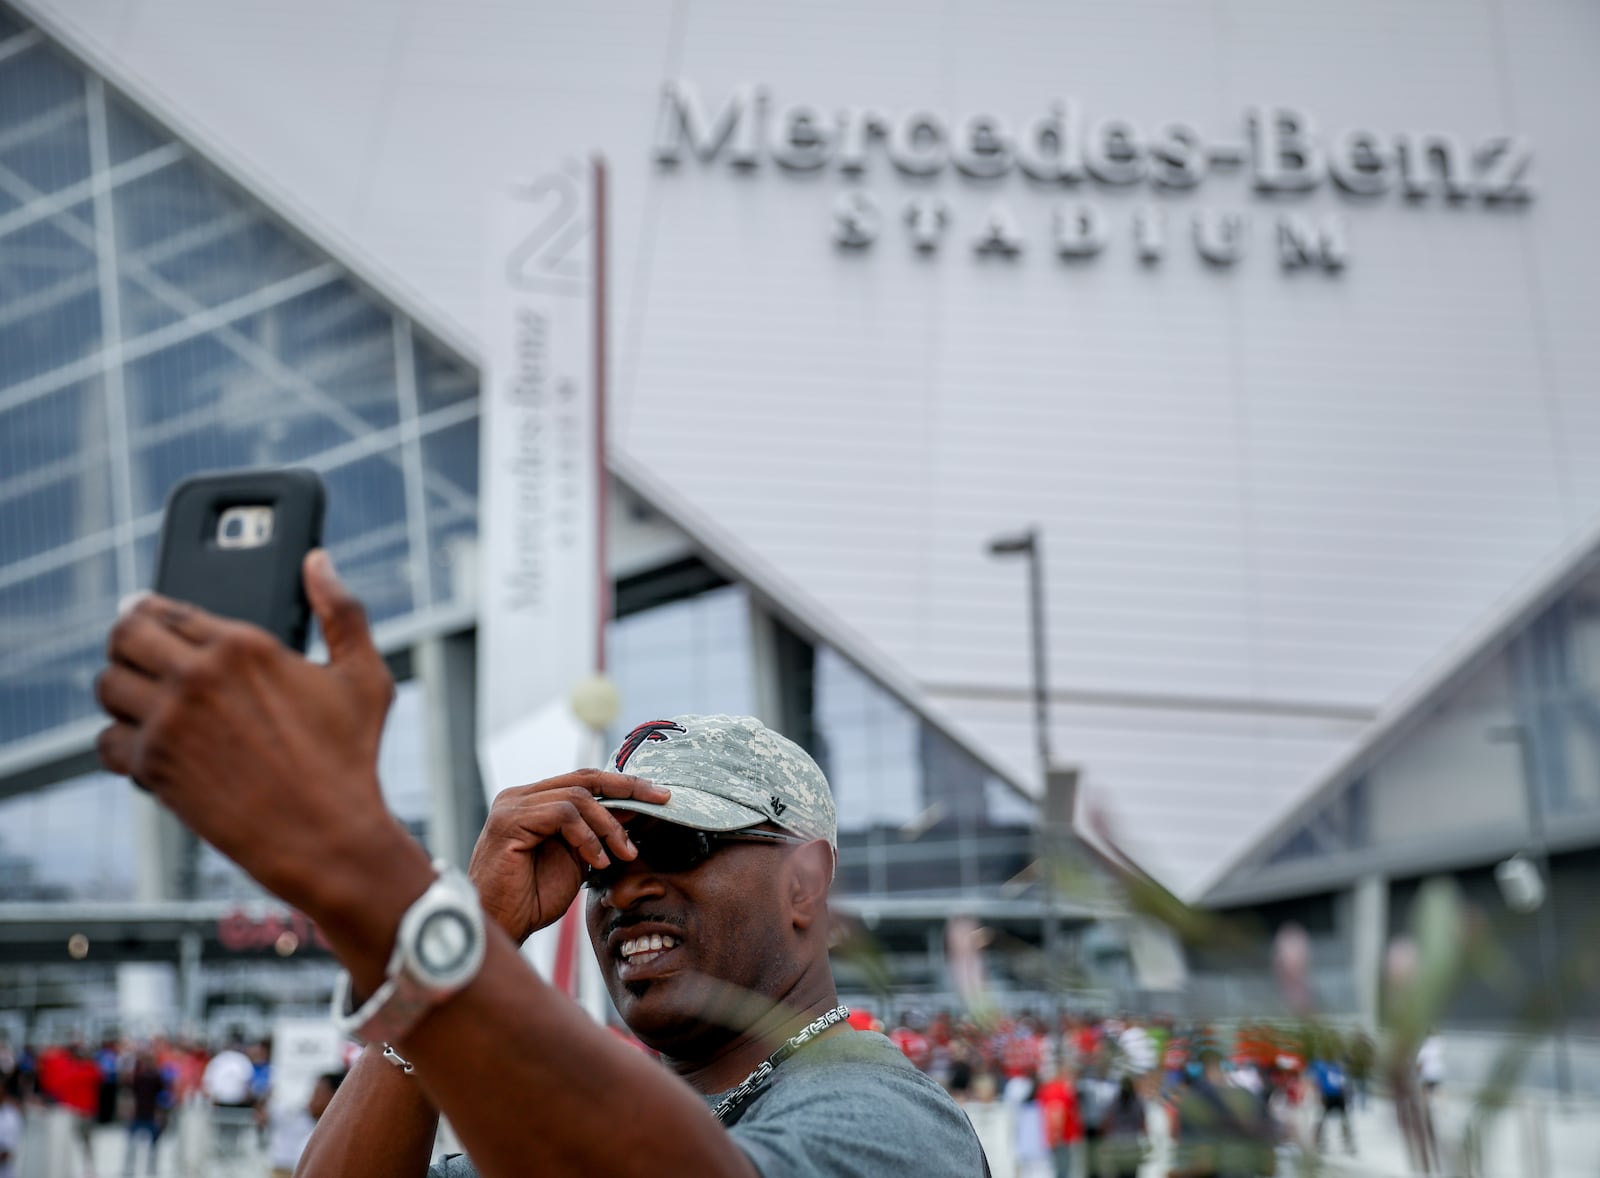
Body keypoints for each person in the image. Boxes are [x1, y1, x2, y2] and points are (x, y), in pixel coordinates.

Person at [94, 554, 989, 1178]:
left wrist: (376, 881)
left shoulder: (884, 1119)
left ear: (806, 882)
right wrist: (468, 932)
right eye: (601, 857)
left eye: (676, 846)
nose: (627, 884)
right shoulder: (582, 1127)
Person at [267, 1071, 343, 1178]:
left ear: (335, 1097)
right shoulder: (308, 1128)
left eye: (317, 1094)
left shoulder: (339, 1139)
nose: (312, 1100)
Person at [1308, 1053, 1354, 1155]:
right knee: (1323, 1118)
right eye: (1346, 1064)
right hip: (1330, 1097)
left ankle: (1347, 1142)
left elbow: (1344, 1087)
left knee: (1342, 1119)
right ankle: (1319, 1140)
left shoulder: (1339, 1071)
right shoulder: (1332, 1069)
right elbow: (1322, 1080)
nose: (1346, 1067)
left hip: (1336, 1097)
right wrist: (1321, 1094)